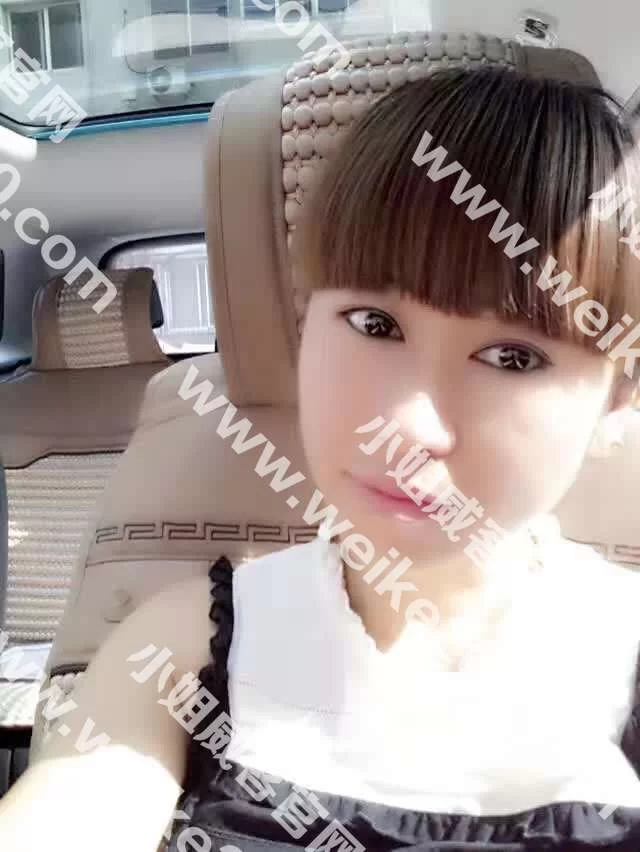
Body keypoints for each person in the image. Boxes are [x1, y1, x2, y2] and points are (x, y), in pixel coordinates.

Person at [2, 64, 640, 852]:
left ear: (619, 399)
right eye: (374, 324)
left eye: (513, 357)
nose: (406, 426)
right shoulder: (184, 647)